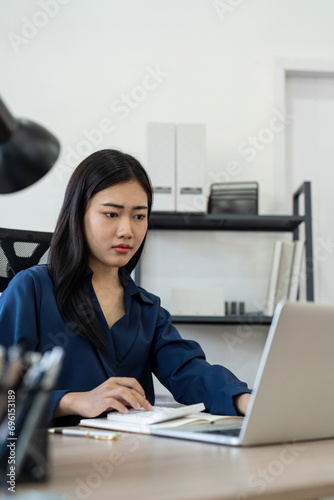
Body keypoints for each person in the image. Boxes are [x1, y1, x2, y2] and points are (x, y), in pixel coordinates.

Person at [0, 149, 251, 426]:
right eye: (111, 214)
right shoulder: (32, 289)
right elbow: (4, 396)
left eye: (139, 216)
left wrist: (243, 399)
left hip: (130, 456)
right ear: (78, 214)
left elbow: (189, 371)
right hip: (53, 459)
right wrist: (71, 400)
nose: (127, 230)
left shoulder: (147, 309)